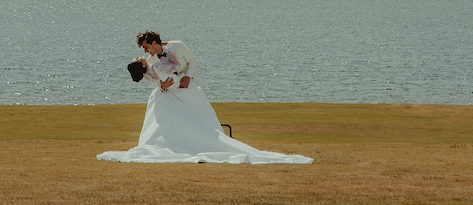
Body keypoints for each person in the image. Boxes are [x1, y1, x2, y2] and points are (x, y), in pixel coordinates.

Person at [97, 32, 312, 165]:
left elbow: (192, 62)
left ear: (154, 42)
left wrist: (188, 77)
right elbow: (156, 79)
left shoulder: (177, 46)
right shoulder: (152, 61)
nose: (145, 50)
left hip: (189, 86)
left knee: (199, 119)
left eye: (146, 46)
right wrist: (162, 86)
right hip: (170, 92)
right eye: (143, 49)